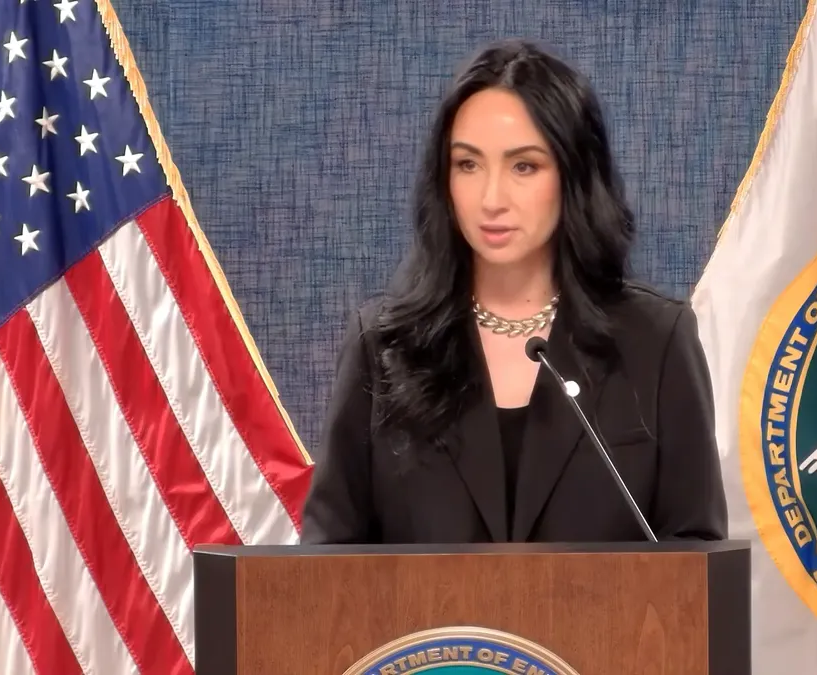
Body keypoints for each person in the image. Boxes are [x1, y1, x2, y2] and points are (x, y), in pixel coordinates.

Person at [299, 39, 727, 544]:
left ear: (572, 175)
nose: (491, 199)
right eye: (468, 165)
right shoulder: (384, 347)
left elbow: (695, 566)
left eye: (524, 166)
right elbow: (330, 566)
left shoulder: (656, 342)